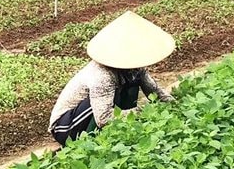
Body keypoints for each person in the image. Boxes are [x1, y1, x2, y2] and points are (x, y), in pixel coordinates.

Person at [48, 11, 176, 146]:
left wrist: (174, 106)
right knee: (109, 98)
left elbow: (154, 91)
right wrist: (142, 111)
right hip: (65, 127)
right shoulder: (102, 76)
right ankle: (88, 144)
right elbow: (103, 118)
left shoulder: (135, 69)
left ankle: (114, 137)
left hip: (95, 115)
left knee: (132, 84)